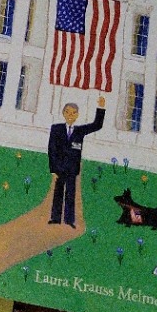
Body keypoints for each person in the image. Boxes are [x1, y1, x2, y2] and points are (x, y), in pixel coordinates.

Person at [48, 97, 106, 227]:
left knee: (70, 194)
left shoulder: (80, 131)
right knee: (58, 193)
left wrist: (101, 108)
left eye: (74, 113)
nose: (70, 115)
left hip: (72, 169)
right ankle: (55, 218)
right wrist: (53, 169)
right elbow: (52, 149)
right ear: (63, 113)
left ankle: (69, 220)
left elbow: (97, 125)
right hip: (59, 168)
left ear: (77, 115)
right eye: (68, 112)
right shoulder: (56, 129)